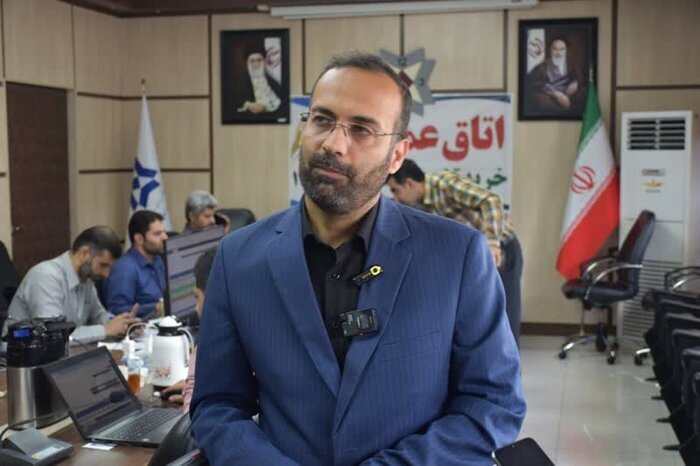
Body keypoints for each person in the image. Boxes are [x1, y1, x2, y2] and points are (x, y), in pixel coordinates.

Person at [190, 52, 525, 465]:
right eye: (322, 119)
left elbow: (493, 402)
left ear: (397, 155)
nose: (333, 143)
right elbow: (217, 405)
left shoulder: (457, 256)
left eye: (362, 129)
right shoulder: (238, 258)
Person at [386, 159, 524, 344]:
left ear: (410, 183)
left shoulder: (445, 183)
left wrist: (492, 243)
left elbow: (491, 201)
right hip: (475, 255)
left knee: (504, 312)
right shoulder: (421, 205)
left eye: (395, 190)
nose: (395, 198)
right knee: (480, 313)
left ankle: (509, 361)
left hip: (500, 249)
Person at [3, 226, 140, 344]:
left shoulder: (86, 279)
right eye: (103, 265)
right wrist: (106, 330)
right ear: (84, 253)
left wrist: (122, 325)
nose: (106, 274)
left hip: (64, 356)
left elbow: (99, 316)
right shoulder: (45, 276)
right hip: (18, 359)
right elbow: (53, 336)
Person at [160, 248, 217, 412]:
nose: (196, 308)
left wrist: (193, 390)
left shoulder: (210, 344)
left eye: (197, 297)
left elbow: (194, 418)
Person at [103, 210, 168, 319]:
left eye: (164, 232)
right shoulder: (125, 268)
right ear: (139, 239)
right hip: (142, 325)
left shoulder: (157, 259)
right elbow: (116, 310)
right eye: (157, 234)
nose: (165, 237)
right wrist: (154, 308)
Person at [526, 37, 585, 114]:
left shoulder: (571, 64)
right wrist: (556, 94)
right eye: (555, 49)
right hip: (551, 96)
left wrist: (575, 83)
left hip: (569, 95)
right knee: (543, 101)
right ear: (550, 50)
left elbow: (581, 78)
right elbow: (537, 84)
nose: (558, 53)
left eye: (562, 49)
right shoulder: (541, 68)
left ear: (566, 50)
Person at [235, 46, 282, 114]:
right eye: (252, 61)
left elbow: (281, 100)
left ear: (264, 62)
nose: (256, 64)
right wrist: (249, 106)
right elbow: (236, 104)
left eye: (259, 60)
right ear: (247, 63)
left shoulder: (271, 80)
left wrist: (265, 108)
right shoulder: (239, 82)